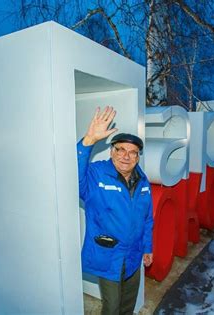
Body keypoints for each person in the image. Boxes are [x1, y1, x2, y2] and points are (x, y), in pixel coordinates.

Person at [77, 106, 154, 314]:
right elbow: (72, 175)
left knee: (128, 306)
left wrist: (147, 248)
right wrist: (88, 141)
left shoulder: (143, 181)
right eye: (120, 149)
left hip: (134, 255)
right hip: (108, 254)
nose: (126, 156)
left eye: (133, 152)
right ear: (112, 151)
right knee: (111, 308)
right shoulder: (97, 174)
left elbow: (147, 219)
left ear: (138, 157)